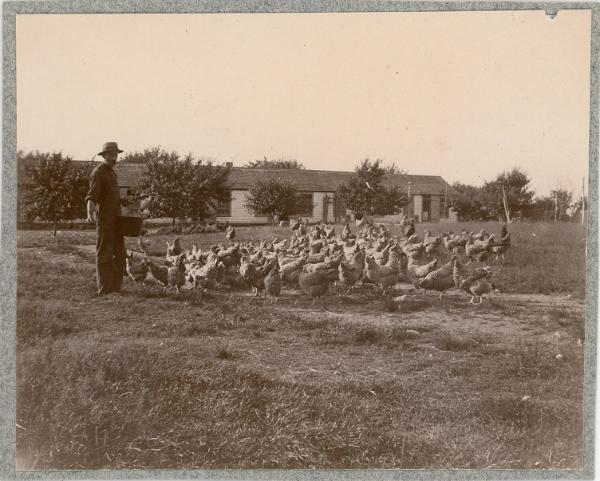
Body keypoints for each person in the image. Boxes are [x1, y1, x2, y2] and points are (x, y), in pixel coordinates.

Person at [85, 142, 126, 294]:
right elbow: (91, 196)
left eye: (116, 154)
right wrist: (89, 213)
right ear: (104, 156)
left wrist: (122, 200)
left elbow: (111, 196)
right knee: (104, 253)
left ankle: (115, 288)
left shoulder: (112, 173)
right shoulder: (98, 172)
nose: (114, 157)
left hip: (117, 219)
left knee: (120, 252)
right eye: (111, 154)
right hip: (105, 220)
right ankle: (104, 288)